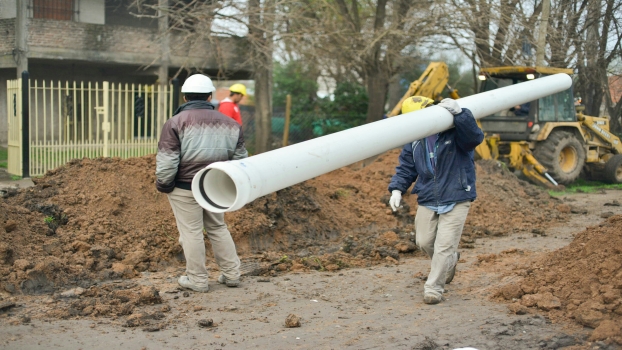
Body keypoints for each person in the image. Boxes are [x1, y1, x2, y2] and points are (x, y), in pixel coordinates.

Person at [155, 74, 248, 293]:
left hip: (184, 187)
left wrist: (164, 184)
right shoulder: (232, 124)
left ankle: (197, 279)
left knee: (191, 232)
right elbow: (241, 160)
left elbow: (168, 160)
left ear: (185, 96)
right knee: (217, 227)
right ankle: (232, 274)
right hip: (215, 187)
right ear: (209, 97)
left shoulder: (175, 122)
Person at [388, 96, 484, 305]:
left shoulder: (456, 131)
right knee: (423, 242)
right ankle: (449, 261)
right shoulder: (415, 140)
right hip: (428, 195)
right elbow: (406, 167)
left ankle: (434, 288)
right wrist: (396, 189)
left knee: (444, 246)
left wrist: (461, 114)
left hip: (457, 194)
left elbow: (475, 138)